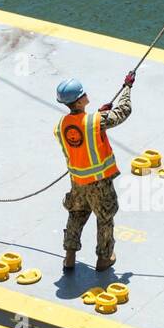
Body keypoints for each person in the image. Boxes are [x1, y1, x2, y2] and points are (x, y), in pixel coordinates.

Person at [54, 71, 135, 271]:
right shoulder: (95, 122)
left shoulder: (60, 126)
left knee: (76, 214)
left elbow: (81, 132)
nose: (85, 95)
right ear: (79, 101)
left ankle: (70, 256)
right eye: (83, 94)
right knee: (105, 217)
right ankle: (104, 259)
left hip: (77, 182)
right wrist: (127, 87)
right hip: (98, 182)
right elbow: (124, 111)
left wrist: (98, 114)